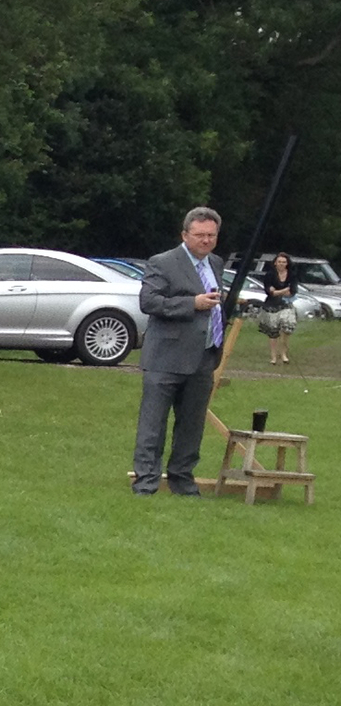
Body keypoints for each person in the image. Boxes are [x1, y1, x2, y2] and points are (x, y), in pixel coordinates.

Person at [133, 207, 228, 496]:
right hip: (165, 357)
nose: (206, 241)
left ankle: (182, 479)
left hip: (204, 356)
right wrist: (192, 304)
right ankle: (146, 481)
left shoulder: (216, 263)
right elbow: (149, 302)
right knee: (154, 423)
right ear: (185, 234)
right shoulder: (162, 262)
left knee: (192, 424)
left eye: (211, 235)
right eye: (200, 235)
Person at [258, 252, 299, 367]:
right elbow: (270, 291)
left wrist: (278, 292)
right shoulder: (269, 275)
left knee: (288, 327)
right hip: (271, 306)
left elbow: (292, 291)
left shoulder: (292, 275)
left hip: (286, 305)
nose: (281, 264)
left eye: (284, 262)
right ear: (275, 263)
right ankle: (273, 357)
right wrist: (283, 291)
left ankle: (284, 354)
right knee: (273, 332)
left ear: (287, 263)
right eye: (279, 262)